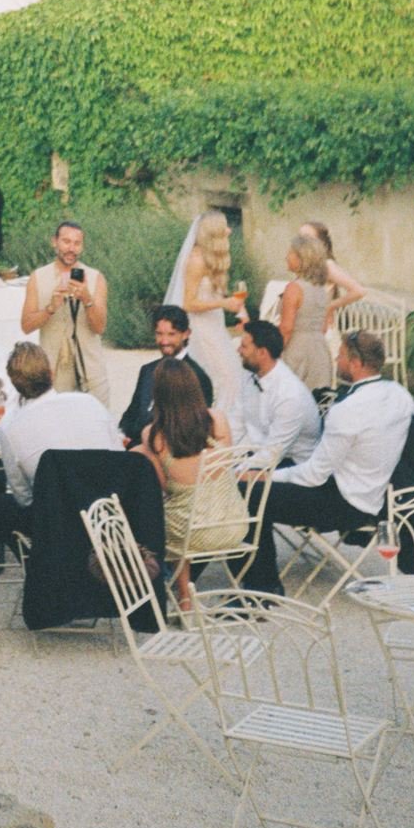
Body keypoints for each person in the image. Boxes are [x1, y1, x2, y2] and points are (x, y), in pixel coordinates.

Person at [237, 329, 414, 594]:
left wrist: (266, 476)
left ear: (356, 364)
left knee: (250, 494)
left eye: (341, 355)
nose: (336, 360)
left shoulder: (346, 410)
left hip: (343, 503)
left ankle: (262, 587)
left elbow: (314, 476)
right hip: (374, 498)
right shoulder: (401, 395)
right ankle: (258, 580)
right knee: (265, 481)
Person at [135, 358, 246, 613]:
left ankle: (184, 595)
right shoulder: (218, 420)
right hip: (233, 524)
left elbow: (164, 488)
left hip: (190, 533)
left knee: (172, 512)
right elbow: (224, 467)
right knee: (192, 505)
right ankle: (187, 591)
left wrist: (143, 453)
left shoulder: (154, 435)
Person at [0, 343, 123, 518]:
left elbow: (24, 498)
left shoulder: (10, 429)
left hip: (59, 525)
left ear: (15, 385)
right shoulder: (90, 402)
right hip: (112, 511)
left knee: (0, 505)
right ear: (51, 372)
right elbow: (120, 457)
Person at [163, 210, 246, 426]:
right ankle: (216, 426)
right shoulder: (196, 260)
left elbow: (210, 295)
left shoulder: (210, 258)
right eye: (224, 226)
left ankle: (226, 427)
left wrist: (236, 308)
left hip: (213, 324)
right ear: (213, 232)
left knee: (232, 376)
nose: (229, 230)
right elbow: (188, 303)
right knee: (225, 378)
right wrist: (223, 303)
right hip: (200, 327)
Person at [20, 219, 111, 406]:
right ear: (54, 241)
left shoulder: (96, 278)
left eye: (77, 243)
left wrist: (87, 299)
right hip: (53, 372)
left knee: (96, 426)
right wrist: (50, 308)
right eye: (66, 242)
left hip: (90, 369)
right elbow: (26, 326)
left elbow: (100, 327)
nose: (71, 248)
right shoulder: (38, 278)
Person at [118, 305, 214, 444]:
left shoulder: (197, 376)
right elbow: (131, 414)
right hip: (135, 448)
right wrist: (121, 435)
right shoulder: (147, 370)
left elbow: (193, 430)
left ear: (186, 334)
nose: (164, 341)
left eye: (171, 334)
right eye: (159, 334)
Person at [236, 318, 321, 468]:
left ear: (262, 353)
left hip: (291, 465)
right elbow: (236, 420)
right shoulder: (250, 374)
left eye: (244, 347)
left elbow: (271, 455)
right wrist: (218, 456)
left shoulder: (290, 395)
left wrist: (231, 473)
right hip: (259, 452)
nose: (238, 351)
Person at [280, 231, 346, 393]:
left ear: (302, 258)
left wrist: (275, 354)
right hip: (320, 350)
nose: (286, 257)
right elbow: (323, 327)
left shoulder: (294, 288)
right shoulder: (320, 289)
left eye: (290, 253)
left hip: (297, 350)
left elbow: (286, 328)